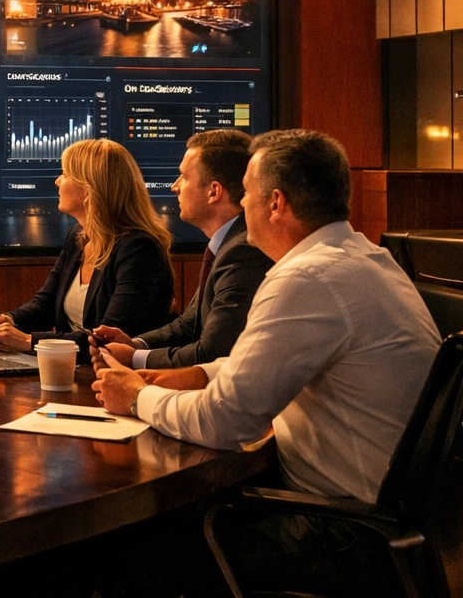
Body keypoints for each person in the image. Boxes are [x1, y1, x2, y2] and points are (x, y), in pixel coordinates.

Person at [93, 129, 440, 596]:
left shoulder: (306, 277)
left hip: (341, 534)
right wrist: (190, 375)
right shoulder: (365, 259)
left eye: (249, 195)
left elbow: (225, 420)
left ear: (275, 203)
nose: (243, 208)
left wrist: (138, 396)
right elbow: (267, 361)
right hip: (394, 527)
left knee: (125, 549)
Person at [0, 138, 173, 357]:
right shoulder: (79, 237)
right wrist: (8, 320)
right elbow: (45, 304)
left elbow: (107, 337)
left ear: (89, 190)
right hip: (70, 369)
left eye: (65, 174)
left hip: (116, 374)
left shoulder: (140, 249)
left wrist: (27, 340)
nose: (58, 181)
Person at [90, 129, 272, 368]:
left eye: (184, 177)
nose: (175, 186)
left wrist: (134, 359)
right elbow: (189, 323)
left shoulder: (243, 252)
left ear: (213, 192)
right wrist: (136, 345)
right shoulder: (228, 244)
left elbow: (213, 352)